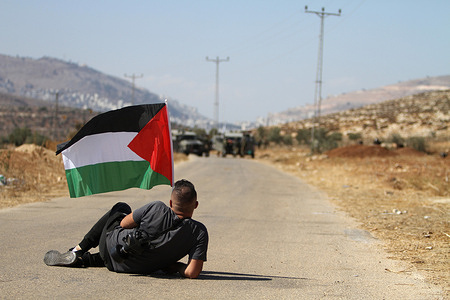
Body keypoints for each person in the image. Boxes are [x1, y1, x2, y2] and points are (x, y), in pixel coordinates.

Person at [44, 179, 208, 279]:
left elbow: (123, 224)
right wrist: (174, 266)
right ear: (196, 205)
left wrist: (150, 223)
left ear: (171, 203)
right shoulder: (199, 233)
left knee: (121, 207)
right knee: (137, 254)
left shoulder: (157, 206)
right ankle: (85, 260)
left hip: (111, 247)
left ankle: (78, 250)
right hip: (129, 267)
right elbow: (192, 273)